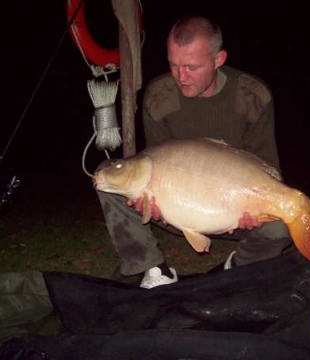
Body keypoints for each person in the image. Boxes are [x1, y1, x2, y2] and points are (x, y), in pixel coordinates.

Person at [96, 15, 293, 289]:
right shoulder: (159, 96)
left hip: (235, 206)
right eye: (173, 65)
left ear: (218, 59)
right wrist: (150, 202)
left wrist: (256, 209)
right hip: (177, 204)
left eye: (191, 67)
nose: (181, 77)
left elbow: (269, 167)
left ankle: (237, 266)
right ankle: (154, 268)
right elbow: (155, 159)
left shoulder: (252, 96)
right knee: (108, 181)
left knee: (282, 226)